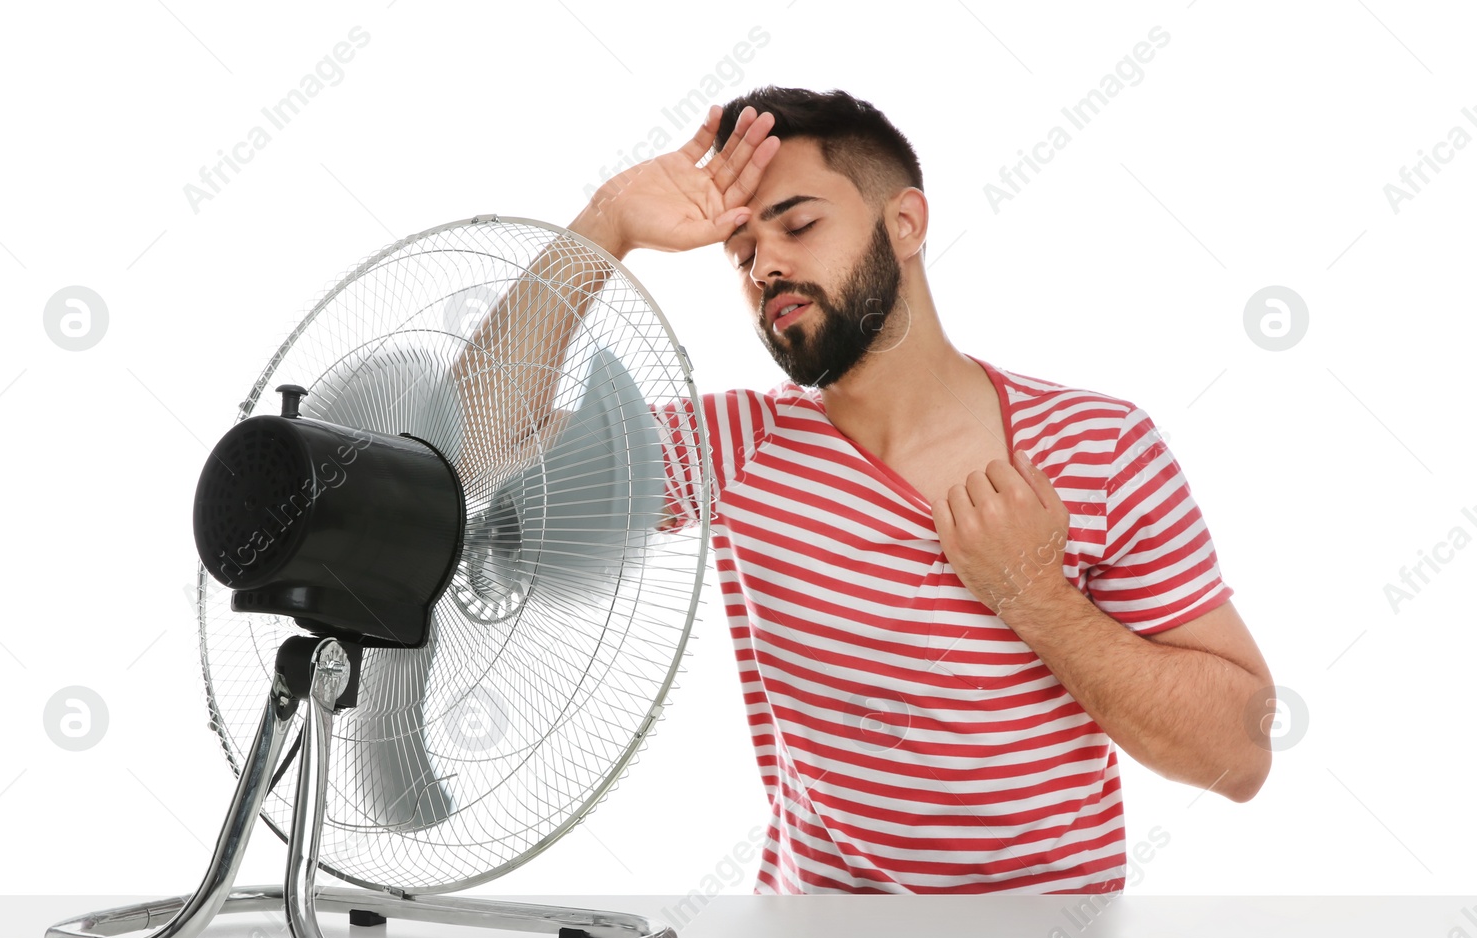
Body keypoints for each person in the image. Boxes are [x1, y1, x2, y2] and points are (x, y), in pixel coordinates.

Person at [456, 86, 1274, 895]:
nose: (766, 264)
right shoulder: (736, 447)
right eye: (741, 255)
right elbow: (469, 444)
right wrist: (609, 222)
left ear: (905, 223)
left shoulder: (1100, 447)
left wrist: (1035, 596)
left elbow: (1240, 754)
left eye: (799, 224)